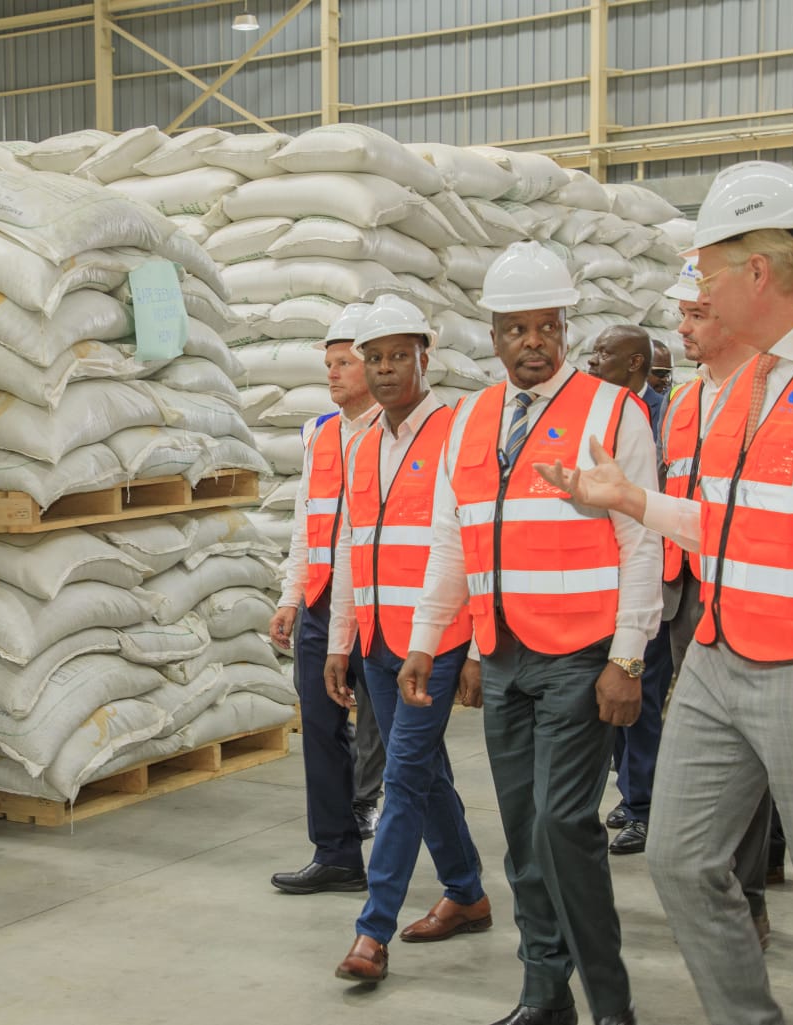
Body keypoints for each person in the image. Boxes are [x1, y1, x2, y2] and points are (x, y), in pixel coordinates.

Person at [535, 160, 793, 1025]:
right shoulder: (743, 384)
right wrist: (631, 500)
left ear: (757, 270)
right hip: (718, 657)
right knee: (678, 860)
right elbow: (730, 522)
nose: (697, 291)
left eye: (706, 270)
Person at [402, 241, 661, 1025]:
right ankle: (544, 993)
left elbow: (641, 542)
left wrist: (629, 657)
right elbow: (457, 538)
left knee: (562, 823)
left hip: (583, 658)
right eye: (516, 329)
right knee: (521, 831)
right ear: (493, 333)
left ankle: (611, 1005)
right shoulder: (473, 419)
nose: (532, 342)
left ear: (565, 329)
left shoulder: (612, 412)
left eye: (546, 326)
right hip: (506, 656)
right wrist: (435, 640)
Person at [326, 295, 488, 984]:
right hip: (379, 639)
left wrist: (480, 644)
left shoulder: (457, 432)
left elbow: (475, 544)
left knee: (402, 778)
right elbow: (349, 549)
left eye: (400, 354)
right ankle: (467, 890)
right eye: (376, 357)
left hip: (439, 637)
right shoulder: (363, 443)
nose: (387, 368)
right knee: (424, 774)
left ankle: (373, 931)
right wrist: (341, 639)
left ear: (427, 356)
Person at [659, 256, 776, 947]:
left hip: (744, 589)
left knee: (752, 749)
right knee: (704, 747)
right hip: (687, 590)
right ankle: (713, 884)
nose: (684, 327)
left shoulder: (765, 390)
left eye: (697, 313)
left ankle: (749, 892)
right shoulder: (684, 399)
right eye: (683, 314)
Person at [269, 303, 388, 896]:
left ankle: (443, 873)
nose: (333, 374)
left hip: (379, 604)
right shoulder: (319, 432)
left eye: (345, 363)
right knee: (319, 726)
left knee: (397, 736)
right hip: (321, 602)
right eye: (329, 363)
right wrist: (292, 595)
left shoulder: (396, 431)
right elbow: (306, 521)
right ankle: (336, 852)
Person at [587, 324, 674, 856]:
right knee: (607, 694)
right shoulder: (594, 409)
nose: (593, 362)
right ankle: (629, 791)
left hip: (653, 575)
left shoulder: (664, 414)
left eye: (605, 354)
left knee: (638, 691)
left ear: (636, 365)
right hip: (603, 578)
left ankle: (643, 806)